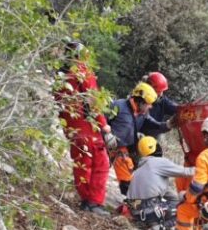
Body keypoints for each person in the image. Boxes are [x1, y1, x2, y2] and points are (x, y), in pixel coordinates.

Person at [53, 41, 111, 216]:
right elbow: (93, 101)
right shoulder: (83, 73)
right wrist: (104, 125)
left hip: (73, 131)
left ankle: (86, 200)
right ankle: (94, 202)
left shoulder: (62, 78)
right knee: (101, 165)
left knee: (81, 166)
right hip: (88, 129)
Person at [105, 82, 172, 195]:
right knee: (122, 173)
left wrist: (168, 125)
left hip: (125, 149)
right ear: (140, 101)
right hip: (111, 146)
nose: (150, 107)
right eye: (148, 104)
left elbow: (154, 124)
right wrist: (105, 132)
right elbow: (101, 117)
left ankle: (132, 201)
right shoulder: (118, 106)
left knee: (130, 179)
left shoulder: (142, 113)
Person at [126, 136, 194, 230]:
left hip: (135, 213)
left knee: (175, 198)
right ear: (156, 148)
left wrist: (176, 197)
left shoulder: (138, 170)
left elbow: (154, 189)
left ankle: (153, 223)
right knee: (185, 209)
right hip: (150, 213)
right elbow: (187, 172)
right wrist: (206, 169)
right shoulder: (158, 162)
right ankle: (161, 228)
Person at [141, 72, 179, 156]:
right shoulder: (140, 101)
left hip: (153, 138)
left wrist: (186, 110)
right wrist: (166, 125)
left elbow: (175, 108)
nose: (161, 94)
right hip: (139, 138)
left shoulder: (161, 100)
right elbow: (147, 121)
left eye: (162, 91)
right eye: (159, 91)